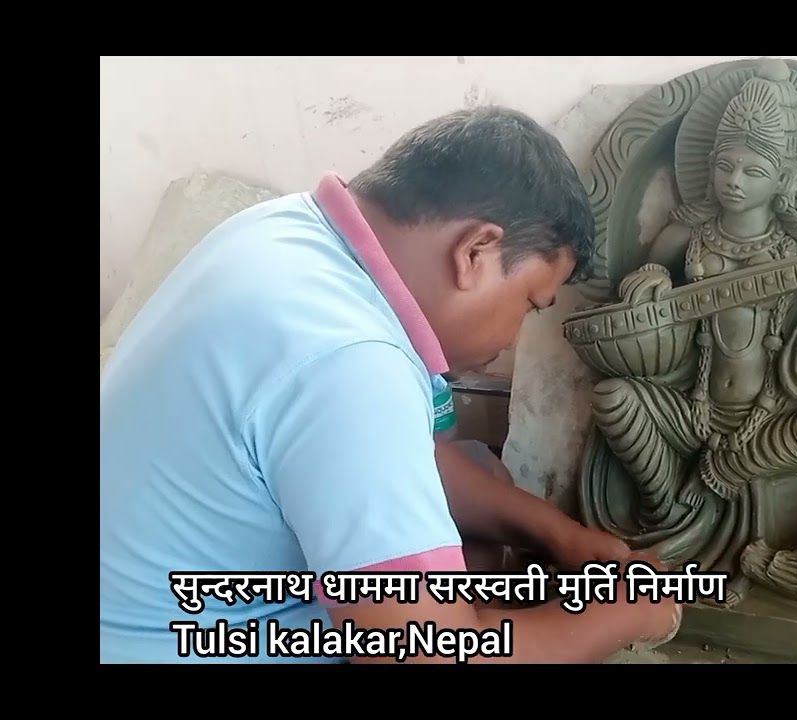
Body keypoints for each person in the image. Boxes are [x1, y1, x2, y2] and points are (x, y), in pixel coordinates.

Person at [100, 106, 683, 663]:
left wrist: (560, 536)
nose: (511, 339)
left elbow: (407, 453)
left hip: (144, 596)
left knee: (478, 477)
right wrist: (627, 613)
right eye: (529, 304)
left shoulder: (286, 231)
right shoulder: (350, 359)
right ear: (476, 250)